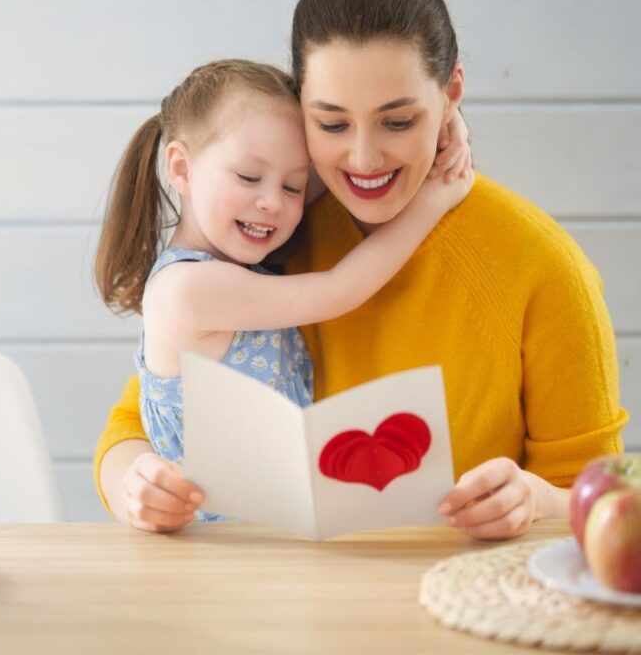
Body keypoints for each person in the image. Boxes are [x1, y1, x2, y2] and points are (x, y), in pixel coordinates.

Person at [94, 0, 628, 540]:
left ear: (451, 92)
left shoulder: (544, 268)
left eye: (398, 122)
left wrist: (535, 498)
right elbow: (137, 422)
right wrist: (137, 486)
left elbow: (599, 495)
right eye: (332, 125)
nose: (364, 161)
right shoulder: (267, 235)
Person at [94, 58, 472, 522]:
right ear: (182, 169)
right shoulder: (188, 289)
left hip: (272, 534)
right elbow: (337, 290)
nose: (274, 202)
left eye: (293, 186)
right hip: (220, 544)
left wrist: (445, 121)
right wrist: (435, 199)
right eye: (249, 178)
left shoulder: (232, 258)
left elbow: (354, 169)